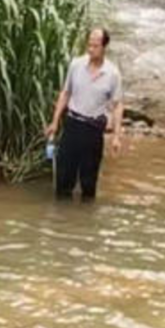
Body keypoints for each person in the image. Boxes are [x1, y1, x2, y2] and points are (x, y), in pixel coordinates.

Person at [44, 27, 123, 201]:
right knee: (64, 178)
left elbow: (117, 105)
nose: (90, 49)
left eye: (95, 46)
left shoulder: (112, 73)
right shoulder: (76, 64)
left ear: (104, 47)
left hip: (93, 129)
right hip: (72, 124)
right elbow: (66, 93)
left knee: (89, 182)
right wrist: (55, 122)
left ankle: (85, 221)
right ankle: (62, 219)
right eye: (89, 45)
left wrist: (117, 136)